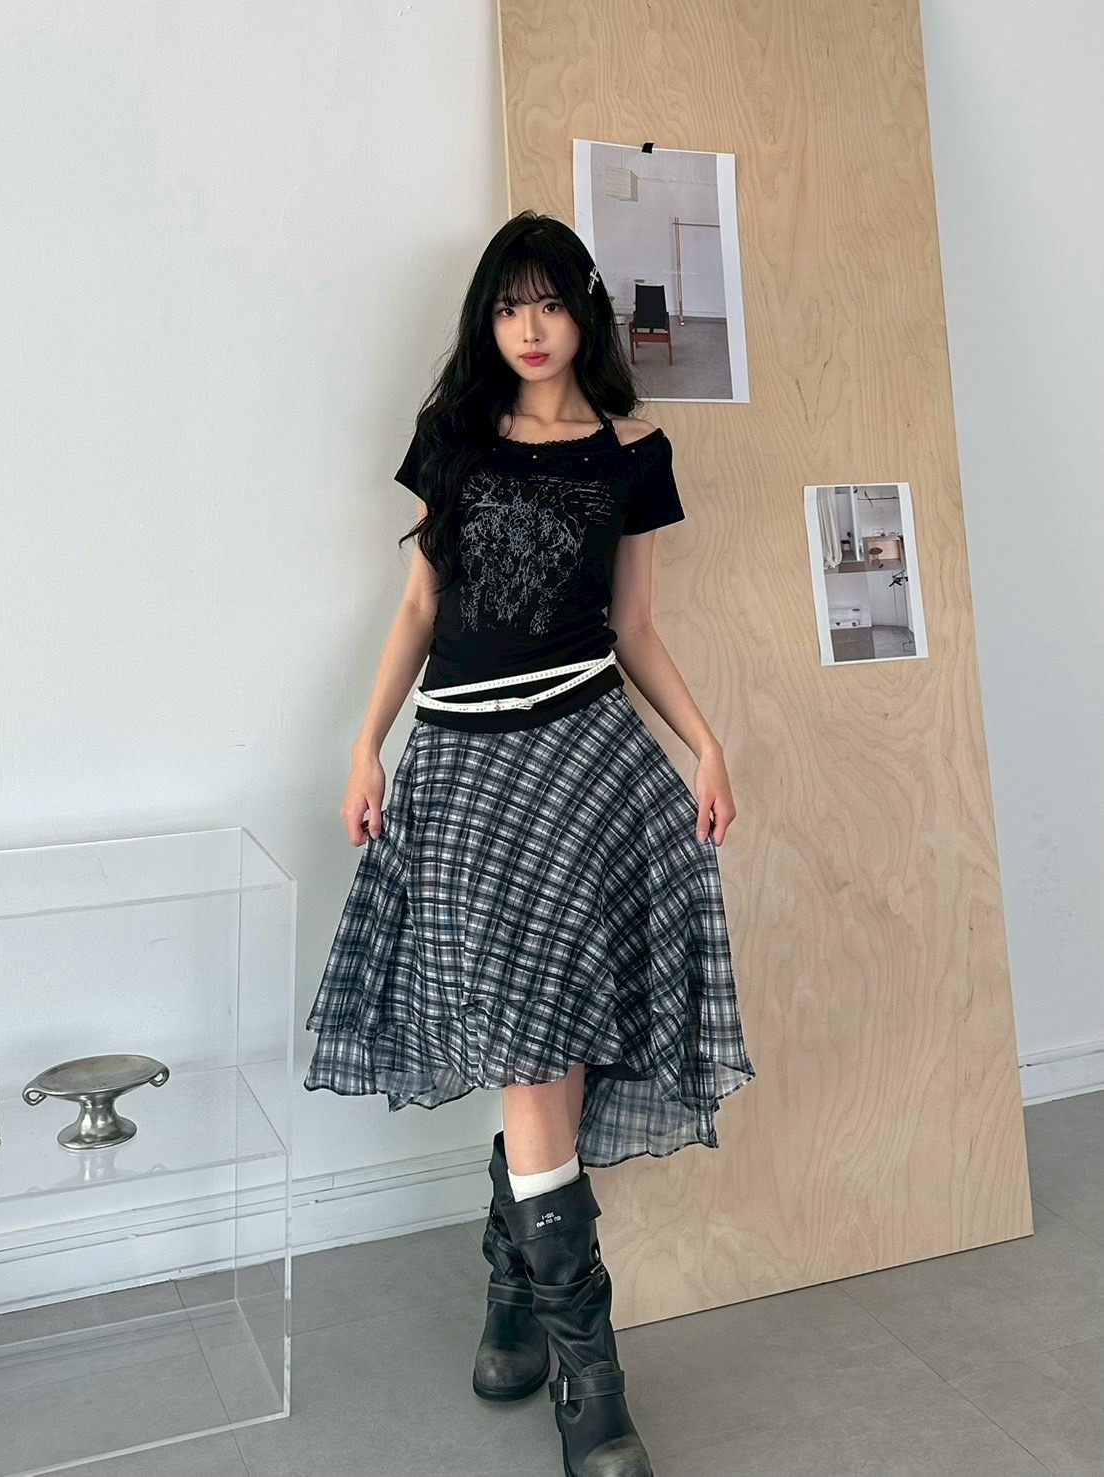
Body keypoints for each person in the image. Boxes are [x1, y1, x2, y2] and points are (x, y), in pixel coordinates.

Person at [303, 210, 756, 1477]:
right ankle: (585, 1371)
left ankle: (525, 1303)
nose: (530, 327)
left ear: (583, 313)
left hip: (587, 754)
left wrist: (705, 744)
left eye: (550, 302)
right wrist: (365, 744)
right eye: (509, 306)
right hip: (463, 766)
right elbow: (419, 603)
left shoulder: (633, 454)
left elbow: (634, 625)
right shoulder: (450, 439)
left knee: (557, 1036)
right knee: (528, 1036)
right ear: (487, 322)